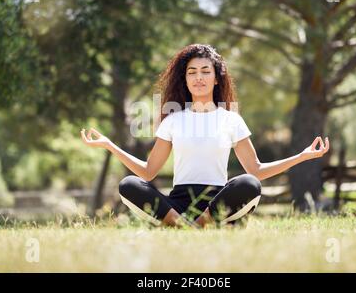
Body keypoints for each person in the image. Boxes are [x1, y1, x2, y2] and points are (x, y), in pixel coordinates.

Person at [81, 44, 329, 228]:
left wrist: (302, 156)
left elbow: (256, 170)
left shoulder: (231, 119)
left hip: (217, 203)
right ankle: (180, 223)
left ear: (216, 77)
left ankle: (201, 223)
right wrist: (109, 145)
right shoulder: (173, 119)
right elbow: (148, 172)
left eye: (205, 71)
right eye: (192, 72)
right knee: (129, 184)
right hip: (177, 204)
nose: (198, 77)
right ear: (185, 79)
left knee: (249, 184)